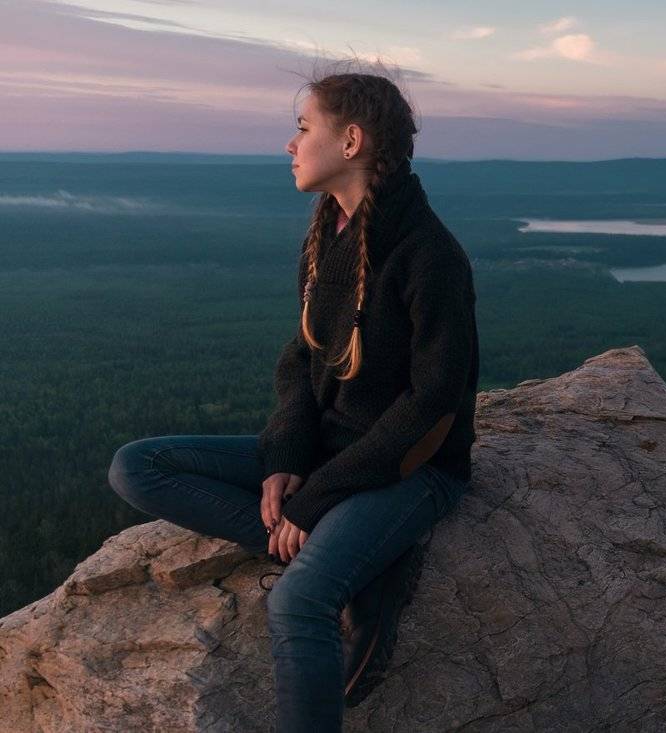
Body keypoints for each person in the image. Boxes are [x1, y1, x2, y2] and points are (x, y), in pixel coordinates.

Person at [107, 63, 479, 731]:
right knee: (137, 465)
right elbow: (302, 362)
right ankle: (362, 560)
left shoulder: (430, 254)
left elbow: (433, 405)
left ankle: (346, 557)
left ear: (352, 141)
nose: (290, 143)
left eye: (304, 127)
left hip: (412, 470)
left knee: (299, 602)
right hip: (330, 455)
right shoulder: (329, 235)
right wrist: (284, 457)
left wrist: (315, 496)